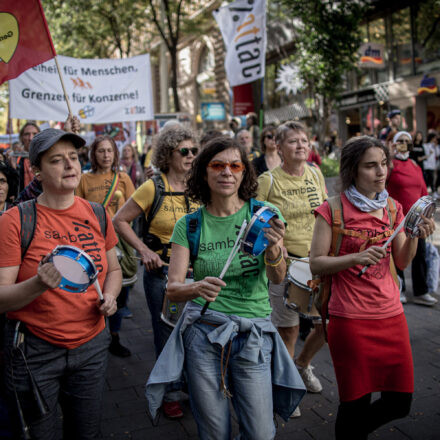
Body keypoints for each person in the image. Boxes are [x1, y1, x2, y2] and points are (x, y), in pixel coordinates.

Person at [146, 136, 306, 439]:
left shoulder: (263, 215)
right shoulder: (190, 225)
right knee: (214, 432)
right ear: (204, 172)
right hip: (204, 335)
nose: (226, 172)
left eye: (235, 165)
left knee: (260, 432)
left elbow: (277, 278)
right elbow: (173, 289)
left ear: (245, 171)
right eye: (217, 165)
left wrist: (273, 252)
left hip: (253, 335)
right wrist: (197, 288)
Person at [309, 135, 435, 440]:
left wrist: (417, 234)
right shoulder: (333, 209)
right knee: (355, 403)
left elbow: (403, 261)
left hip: (391, 314)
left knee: (400, 402)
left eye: (383, 164)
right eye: (370, 166)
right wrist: (356, 256)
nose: (381, 172)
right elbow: (316, 263)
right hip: (349, 319)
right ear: (353, 170)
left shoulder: (393, 208)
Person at [0, 128, 121, 439]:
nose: (70, 165)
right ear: (36, 172)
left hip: (92, 347)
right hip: (35, 353)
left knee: (86, 432)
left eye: (73, 157)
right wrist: (39, 284)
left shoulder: (97, 213)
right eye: (57, 160)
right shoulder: (15, 221)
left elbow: (114, 270)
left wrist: (110, 296)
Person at [113, 126, 199, 419]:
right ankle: (171, 392)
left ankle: (195, 386)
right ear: (167, 154)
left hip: (197, 274)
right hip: (162, 274)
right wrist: (144, 251)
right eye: (183, 151)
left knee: (196, 331)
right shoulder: (153, 187)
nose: (190, 156)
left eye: (194, 151)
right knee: (168, 331)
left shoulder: (201, 185)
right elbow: (120, 220)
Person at [257, 120, 328, 417]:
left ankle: (301, 365)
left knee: (327, 324)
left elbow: (327, 211)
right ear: (279, 147)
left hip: (319, 262)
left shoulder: (315, 173)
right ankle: (286, 388)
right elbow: (255, 218)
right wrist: (274, 241)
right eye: (293, 141)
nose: (301, 145)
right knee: (289, 329)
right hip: (285, 264)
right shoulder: (268, 180)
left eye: (304, 141)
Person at [76, 135, 136, 357]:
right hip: (93, 242)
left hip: (118, 241)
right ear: (94, 154)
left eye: (109, 151)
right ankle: (95, 334)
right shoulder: (83, 180)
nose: (106, 155)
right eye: (101, 151)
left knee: (118, 291)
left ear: (115, 153)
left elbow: (135, 209)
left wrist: (119, 214)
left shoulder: (123, 178)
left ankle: (114, 336)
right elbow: (77, 211)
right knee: (95, 289)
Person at [387, 131, 437, 306]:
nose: (403, 143)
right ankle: (399, 289)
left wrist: (428, 214)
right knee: (397, 255)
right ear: (393, 143)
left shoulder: (415, 165)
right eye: (399, 140)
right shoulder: (389, 165)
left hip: (417, 219)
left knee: (420, 254)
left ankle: (421, 291)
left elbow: (423, 190)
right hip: (396, 218)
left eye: (406, 141)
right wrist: (389, 156)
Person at [15, 122, 40, 191]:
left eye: (35, 134)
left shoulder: (45, 158)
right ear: (22, 137)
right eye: (27, 134)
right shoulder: (15, 158)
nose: (31, 138)